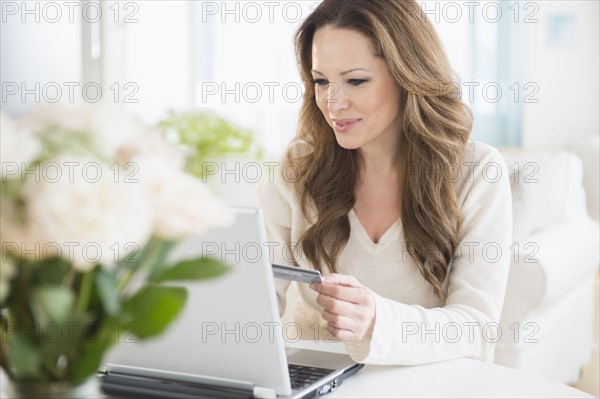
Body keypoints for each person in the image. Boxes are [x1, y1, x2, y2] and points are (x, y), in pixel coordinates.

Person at [258, 0, 512, 366]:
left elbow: (475, 326)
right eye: (321, 81)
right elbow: (257, 296)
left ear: (408, 75)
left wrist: (377, 320)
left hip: (427, 385)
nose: (333, 103)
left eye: (356, 80)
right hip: (311, 380)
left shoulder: (477, 172)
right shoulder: (299, 169)